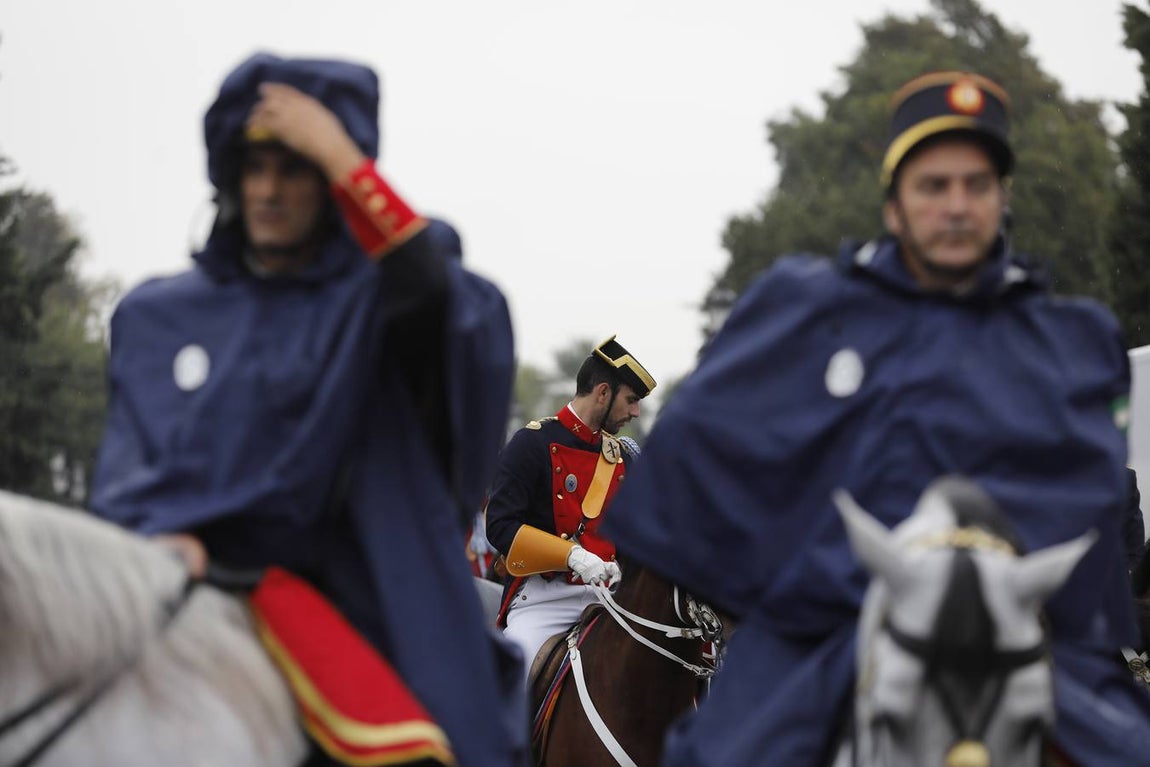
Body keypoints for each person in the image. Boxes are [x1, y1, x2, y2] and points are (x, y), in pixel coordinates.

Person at [602, 71, 1150, 765]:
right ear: (894, 206)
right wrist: (794, 583)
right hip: (828, 633)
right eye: (933, 185)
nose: (956, 205)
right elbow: (695, 456)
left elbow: (1091, 515)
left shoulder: (1071, 341)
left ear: (1002, 198)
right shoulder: (806, 310)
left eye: (976, 185)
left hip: (1021, 639)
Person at [90, 53, 524, 766]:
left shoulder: (378, 303)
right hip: (167, 591)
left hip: (346, 600)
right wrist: (157, 537)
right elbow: (131, 473)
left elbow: (433, 293)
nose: (267, 190)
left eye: (293, 169)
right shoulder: (155, 315)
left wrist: (343, 156)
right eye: (253, 168)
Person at [484, 336, 655, 677]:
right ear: (603, 393)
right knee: (513, 681)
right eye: (631, 400)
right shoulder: (531, 444)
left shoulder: (622, 457)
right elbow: (500, 525)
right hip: (544, 601)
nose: (635, 412)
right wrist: (573, 556)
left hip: (610, 601)